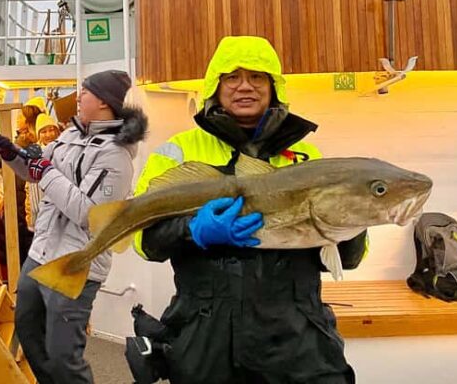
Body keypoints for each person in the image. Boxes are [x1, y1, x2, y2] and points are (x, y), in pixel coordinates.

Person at [131, 36, 367, 384]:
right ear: (216, 85)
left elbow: (347, 258)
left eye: (257, 77)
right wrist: (192, 229)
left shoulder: (307, 159)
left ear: (274, 87)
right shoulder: (177, 152)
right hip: (205, 340)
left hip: (298, 342)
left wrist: (358, 214)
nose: (245, 87)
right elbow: (144, 241)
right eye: (232, 77)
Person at [0, 70, 147, 384]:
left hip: (76, 264)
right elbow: (36, 171)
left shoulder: (116, 156)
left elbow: (90, 213)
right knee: (28, 330)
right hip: (42, 253)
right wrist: (10, 155)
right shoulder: (71, 134)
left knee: (63, 357)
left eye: (84, 92)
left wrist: (44, 170)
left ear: (103, 102)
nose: (78, 97)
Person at [0, 96, 48, 264]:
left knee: (25, 253)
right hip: (30, 210)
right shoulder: (32, 142)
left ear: (28, 121)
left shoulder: (27, 144)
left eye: (21, 116)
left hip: (23, 208)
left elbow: (17, 170)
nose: (17, 118)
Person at [24, 114, 63, 232]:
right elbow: (32, 193)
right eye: (43, 131)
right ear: (38, 135)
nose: (49, 135)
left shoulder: (66, 150)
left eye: (52, 130)